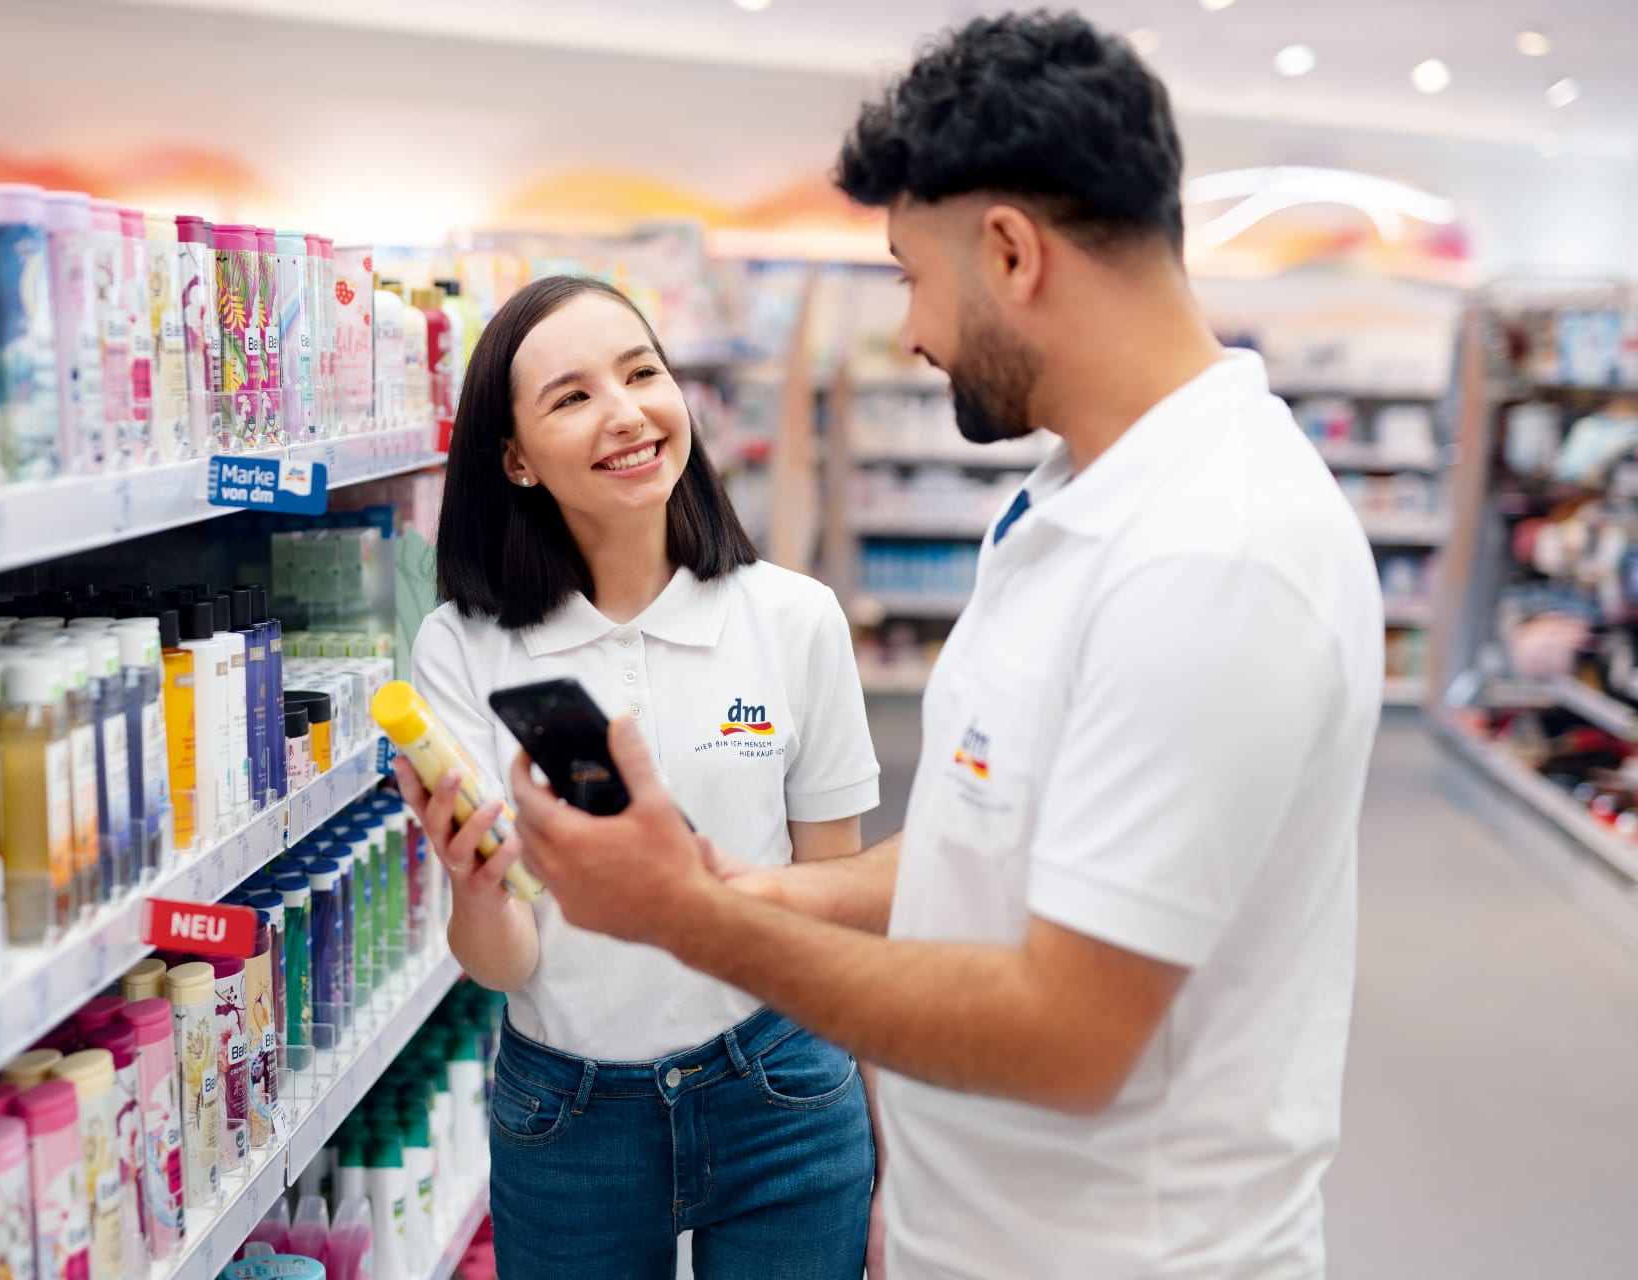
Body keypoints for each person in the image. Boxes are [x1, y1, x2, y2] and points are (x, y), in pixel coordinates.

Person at [500, 13, 1384, 1280]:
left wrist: (692, 922)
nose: (909, 329)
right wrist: (775, 889)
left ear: (1011, 252)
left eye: (911, 274)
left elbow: (1065, 1035)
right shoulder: (1079, 498)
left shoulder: (1210, 555)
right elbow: (1000, 829)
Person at [391, 274, 882, 1278]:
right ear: (515, 458)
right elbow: (506, 960)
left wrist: (880, 1147)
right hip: (568, 1111)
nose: (625, 414)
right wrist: (474, 886)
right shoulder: (465, 646)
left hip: (781, 1083)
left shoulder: (792, 619)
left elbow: (839, 902)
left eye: (640, 372)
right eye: (571, 396)